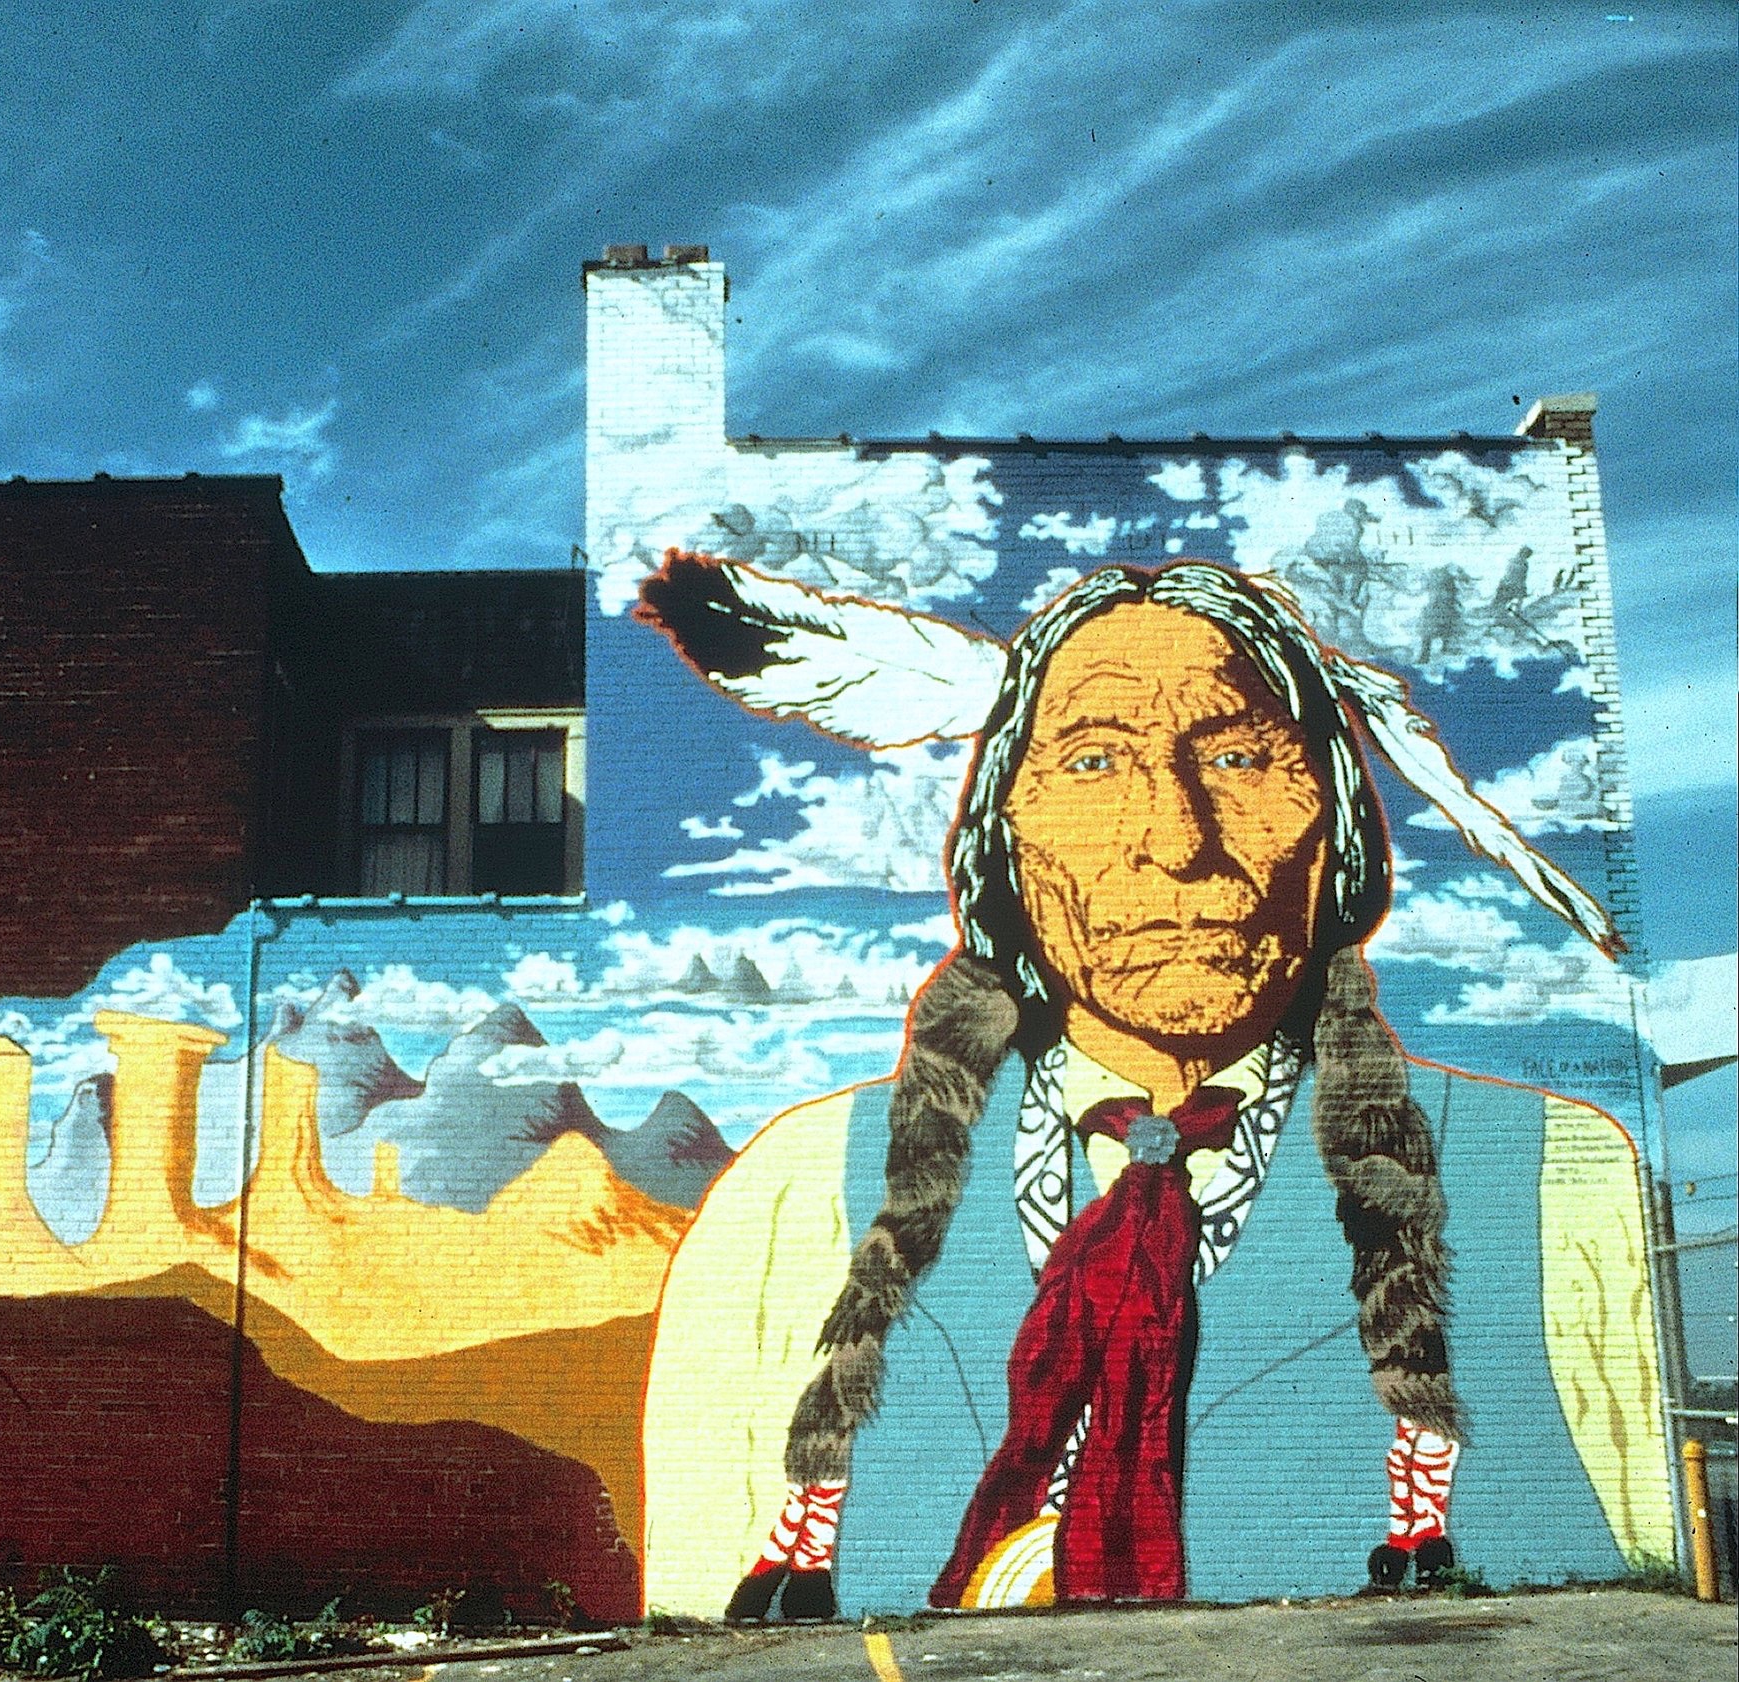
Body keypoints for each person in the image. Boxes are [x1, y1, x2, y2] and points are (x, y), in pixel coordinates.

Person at [634, 558, 1673, 1616]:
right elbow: (686, 1618)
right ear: (1002, 837)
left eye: (1234, 755)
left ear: (1340, 827)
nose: (1176, 839)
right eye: (1091, 760)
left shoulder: (1557, 1183)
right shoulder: (796, 1194)